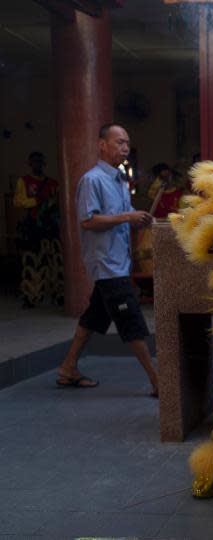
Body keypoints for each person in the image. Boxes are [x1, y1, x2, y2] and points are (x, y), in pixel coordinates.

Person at [56, 123, 159, 396]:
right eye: (119, 142)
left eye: (127, 143)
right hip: (106, 264)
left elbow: (122, 218)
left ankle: (68, 368)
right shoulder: (92, 180)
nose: (125, 147)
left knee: (93, 318)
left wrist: (139, 220)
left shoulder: (120, 180)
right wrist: (127, 217)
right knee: (132, 322)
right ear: (102, 145)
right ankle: (157, 380)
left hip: (117, 262)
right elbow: (88, 221)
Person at [13, 151, 63, 307]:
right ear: (30, 163)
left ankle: (59, 294)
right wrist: (36, 200)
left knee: (56, 263)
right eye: (34, 161)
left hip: (52, 226)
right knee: (32, 263)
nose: (37, 164)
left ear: (44, 163)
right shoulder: (24, 181)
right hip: (33, 226)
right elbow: (18, 201)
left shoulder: (53, 183)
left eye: (40, 161)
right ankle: (31, 296)